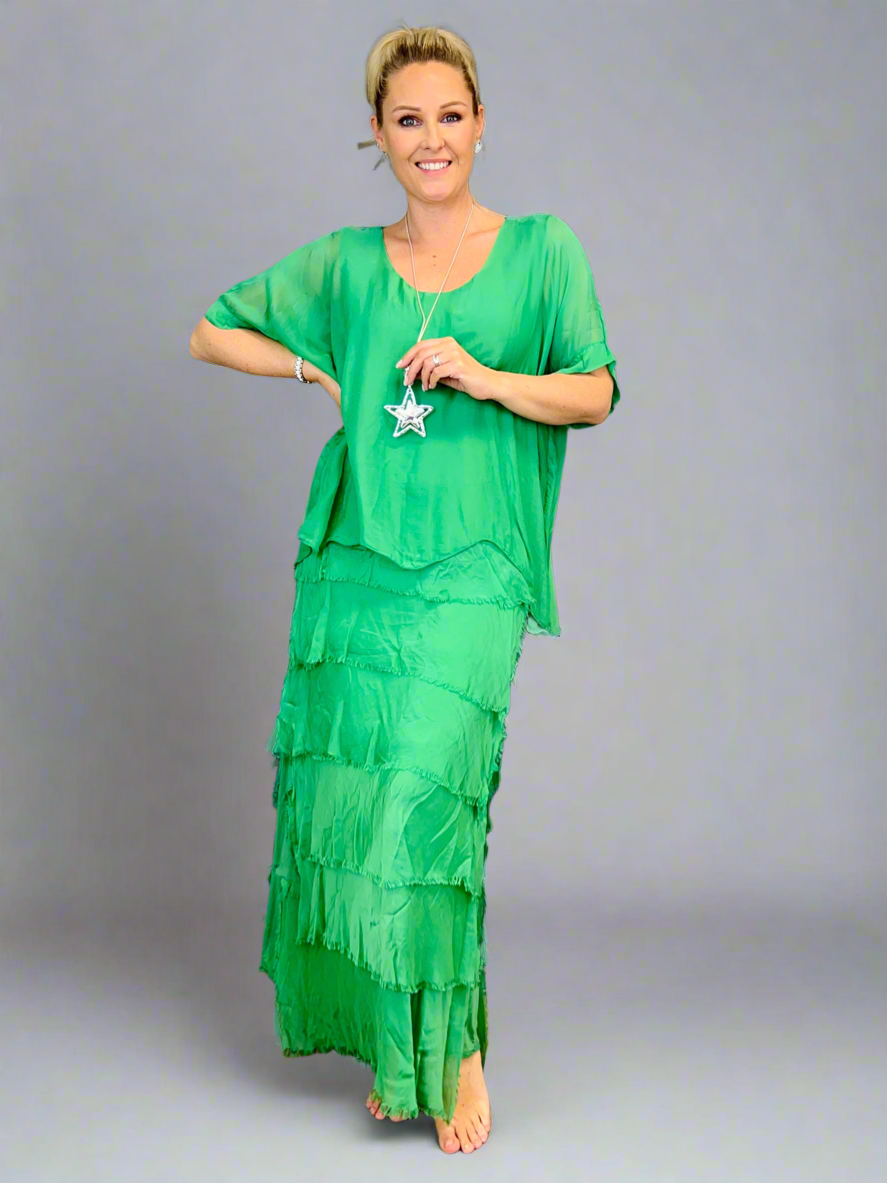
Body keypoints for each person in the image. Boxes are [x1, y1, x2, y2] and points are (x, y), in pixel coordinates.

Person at [189, 21, 620, 1156]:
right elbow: (210, 330)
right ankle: (401, 1047)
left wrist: (485, 375)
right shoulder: (345, 263)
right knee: (370, 803)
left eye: (449, 115)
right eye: (407, 119)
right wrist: (316, 367)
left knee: (430, 795)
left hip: (477, 561)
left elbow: (593, 391)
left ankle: (457, 1049)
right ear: (377, 136)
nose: (431, 138)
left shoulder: (542, 250)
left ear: (480, 124)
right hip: (361, 561)